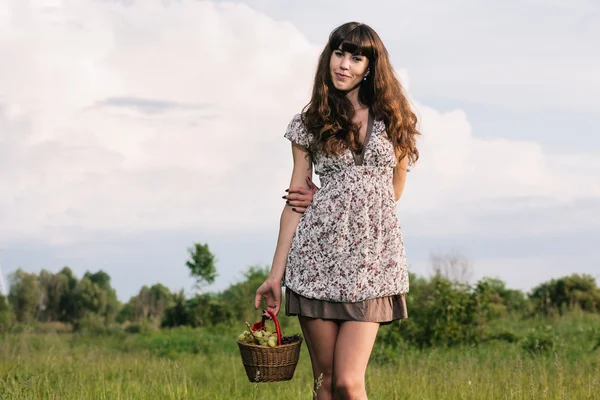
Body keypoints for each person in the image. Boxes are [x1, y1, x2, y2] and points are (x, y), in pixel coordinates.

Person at [254, 21, 420, 400]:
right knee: (325, 384)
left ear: (370, 67)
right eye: (339, 53)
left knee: (348, 380)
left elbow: (392, 192)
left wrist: (344, 199)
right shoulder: (310, 123)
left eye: (356, 57)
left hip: (373, 265)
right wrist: (275, 276)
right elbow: (295, 203)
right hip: (316, 262)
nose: (344, 64)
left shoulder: (394, 120)